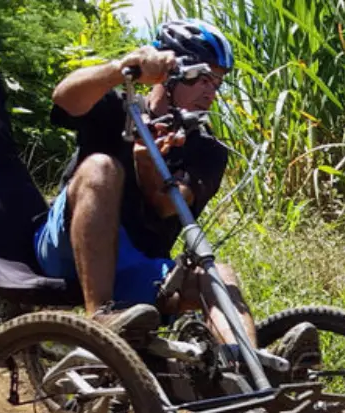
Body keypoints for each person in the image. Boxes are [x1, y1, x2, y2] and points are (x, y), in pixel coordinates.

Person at [33, 18, 256, 347]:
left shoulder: (207, 149)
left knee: (219, 276)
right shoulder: (115, 108)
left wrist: (146, 160)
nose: (211, 92)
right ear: (170, 70)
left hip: (138, 268)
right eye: (202, 77)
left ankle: (253, 376)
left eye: (218, 82)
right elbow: (65, 98)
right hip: (65, 248)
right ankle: (100, 320)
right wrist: (124, 67)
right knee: (100, 168)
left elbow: (168, 208)